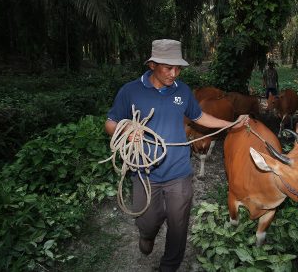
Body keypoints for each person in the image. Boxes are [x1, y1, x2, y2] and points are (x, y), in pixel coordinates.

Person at [104, 39, 248, 272]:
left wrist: (230, 124)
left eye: (178, 68)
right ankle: (148, 235)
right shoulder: (130, 91)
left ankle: (169, 266)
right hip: (144, 172)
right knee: (147, 221)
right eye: (168, 68)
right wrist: (126, 130)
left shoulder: (182, 90)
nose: (174, 73)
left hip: (179, 171)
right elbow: (110, 123)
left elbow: (199, 117)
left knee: (179, 225)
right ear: (152, 65)